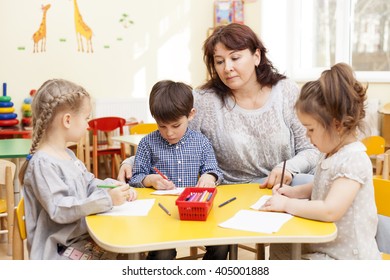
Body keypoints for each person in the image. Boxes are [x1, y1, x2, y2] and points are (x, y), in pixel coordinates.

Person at [119, 23, 319, 188]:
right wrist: (131, 162)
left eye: (235, 58)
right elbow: (173, 138)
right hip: (235, 192)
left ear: (256, 56)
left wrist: (288, 168)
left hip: (287, 186)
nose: (227, 68)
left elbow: (311, 150)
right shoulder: (204, 100)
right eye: (219, 61)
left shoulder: (286, 91)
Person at [261, 63, 381, 260]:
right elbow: (325, 182)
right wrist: (295, 192)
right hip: (325, 242)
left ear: (336, 125)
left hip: (347, 257)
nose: (307, 136)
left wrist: (286, 204)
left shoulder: (353, 160)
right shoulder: (331, 151)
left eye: (311, 129)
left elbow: (329, 210)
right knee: (279, 247)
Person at [19, 79, 137, 260]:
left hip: (80, 238)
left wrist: (111, 186)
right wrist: (106, 199)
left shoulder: (68, 155)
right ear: (67, 120)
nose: (88, 125)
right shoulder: (42, 163)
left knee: (128, 246)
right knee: (124, 251)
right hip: (58, 251)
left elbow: (89, 183)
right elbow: (60, 208)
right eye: (86, 118)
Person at [129, 80, 227, 260]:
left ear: (191, 115)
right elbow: (135, 178)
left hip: (195, 211)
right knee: (163, 253)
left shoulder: (201, 142)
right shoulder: (147, 143)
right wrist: (150, 180)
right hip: (161, 214)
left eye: (175, 126)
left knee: (222, 245)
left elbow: (214, 170)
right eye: (162, 126)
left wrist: (209, 176)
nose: (169, 133)